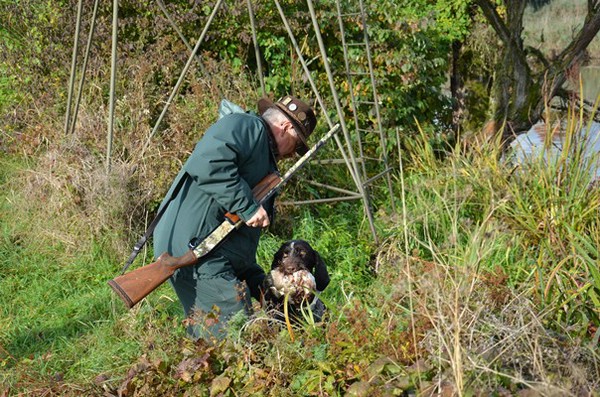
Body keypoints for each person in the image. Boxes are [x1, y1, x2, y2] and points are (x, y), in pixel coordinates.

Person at [153, 95, 318, 340]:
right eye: (297, 143)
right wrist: (248, 207)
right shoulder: (247, 126)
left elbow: (232, 233)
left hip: (212, 254)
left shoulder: (261, 153)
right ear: (286, 128)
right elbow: (208, 163)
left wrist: (258, 281)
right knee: (239, 339)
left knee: (214, 341)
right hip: (198, 255)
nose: (294, 153)